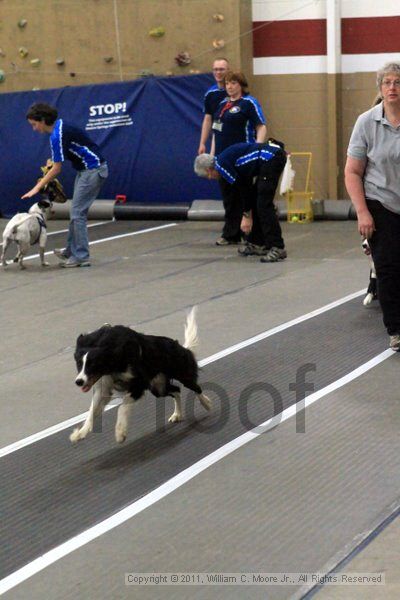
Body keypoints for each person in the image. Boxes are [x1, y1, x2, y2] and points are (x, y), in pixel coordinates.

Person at [345, 61, 400, 351]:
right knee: (388, 269)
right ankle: (396, 330)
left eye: (398, 82)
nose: (392, 87)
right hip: (380, 203)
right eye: (387, 82)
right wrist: (363, 212)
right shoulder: (366, 122)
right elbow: (353, 172)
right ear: (380, 88)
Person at [22, 102, 108, 268]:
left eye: (34, 124)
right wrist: (51, 163)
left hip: (93, 171)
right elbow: (60, 157)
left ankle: (81, 257)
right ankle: (70, 251)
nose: (34, 128)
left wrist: (37, 188)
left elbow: (56, 169)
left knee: (78, 215)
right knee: (76, 213)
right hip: (86, 171)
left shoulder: (57, 135)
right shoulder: (61, 126)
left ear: (42, 120)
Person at [194, 139, 287, 263]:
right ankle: (258, 242)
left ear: (209, 170)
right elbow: (245, 186)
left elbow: (242, 190)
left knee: (264, 205)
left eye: (208, 176)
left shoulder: (222, 166)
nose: (211, 178)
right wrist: (248, 210)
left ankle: (277, 246)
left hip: (271, 159)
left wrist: (246, 216)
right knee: (257, 202)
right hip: (269, 159)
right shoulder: (223, 159)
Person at [211, 71, 267, 245]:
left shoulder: (249, 103)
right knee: (228, 197)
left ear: (241, 85)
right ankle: (231, 233)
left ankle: (250, 233)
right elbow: (216, 132)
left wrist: (257, 148)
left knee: (245, 194)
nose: (229, 86)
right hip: (223, 159)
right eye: (227, 83)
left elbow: (261, 126)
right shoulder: (221, 105)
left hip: (242, 158)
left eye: (233, 83)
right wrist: (212, 157)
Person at [197, 57, 229, 155]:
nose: (218, 72)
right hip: (218, 136)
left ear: (228, 70)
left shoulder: (237, 92)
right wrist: (202, 143)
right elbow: (208, 119)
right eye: (216, 69)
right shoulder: (210, 93)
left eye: (221, 69)